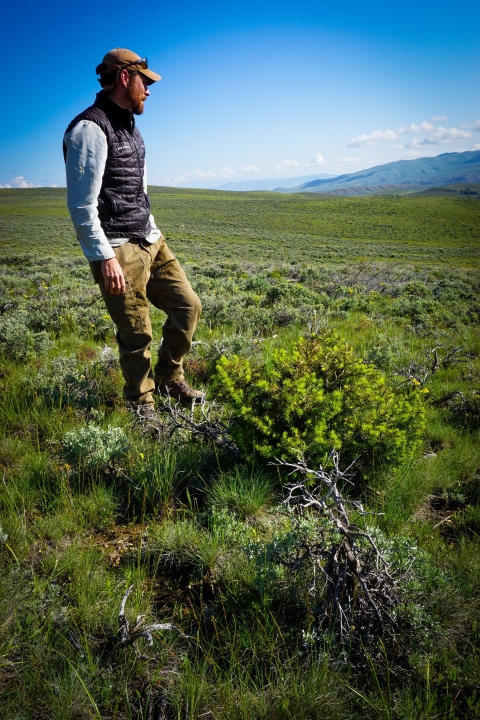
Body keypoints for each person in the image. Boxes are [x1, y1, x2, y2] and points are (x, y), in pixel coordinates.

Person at [63, 48, 204, 415]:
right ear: (126, 77)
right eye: (146, 81)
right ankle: (142, 406)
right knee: (136, 333)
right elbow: (82, 204)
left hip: (150, 240)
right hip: (118, 248)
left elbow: (138, 188)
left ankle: (170, 378)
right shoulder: (89, 129)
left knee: (188, 306)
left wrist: (153, 231)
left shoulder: (130, 126)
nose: (150, 90)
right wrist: (104, 256)